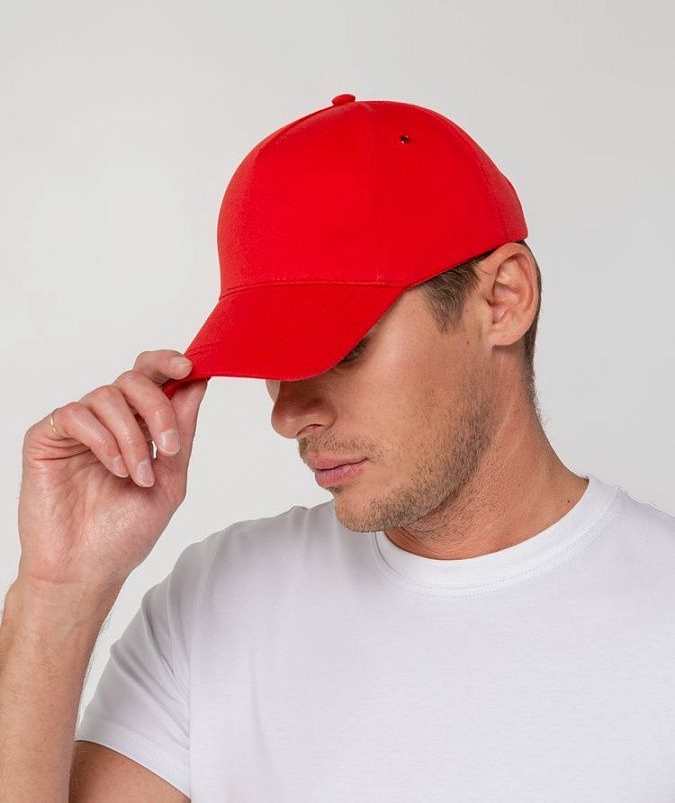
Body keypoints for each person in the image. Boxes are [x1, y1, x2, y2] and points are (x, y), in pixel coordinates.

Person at [1, 96, 674, 802]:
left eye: (343, 348)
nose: (288, 415)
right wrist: (56, 592)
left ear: (502, 299)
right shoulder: (218, 599)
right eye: (271, 358)